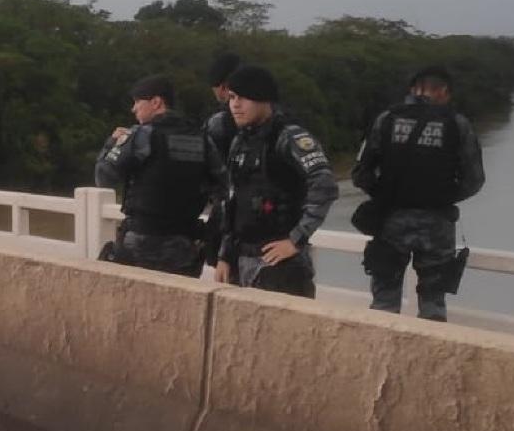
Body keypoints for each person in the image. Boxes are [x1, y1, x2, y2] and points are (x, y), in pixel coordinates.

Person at [352, 66, 485, 321]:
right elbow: (475, 180)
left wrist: (386, 194)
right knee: (433, 302)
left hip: (390, 222)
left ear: (413, 89)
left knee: (384, 302)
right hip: (437, 226)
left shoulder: (386, 119)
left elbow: (360, 173)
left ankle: (381, 358)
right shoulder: (457, 124)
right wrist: (441, 195)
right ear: (444, 91)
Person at [214, 65, 338, 297]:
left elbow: (325, 185)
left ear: (264, 99)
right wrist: (225, 256)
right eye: (231, 97)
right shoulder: (240, 141)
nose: (235, 105)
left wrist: (296, 239)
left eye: (243, 97)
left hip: (280, 267)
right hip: (242, 261)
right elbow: (231, 201)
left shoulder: (289, 137)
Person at [93, 75, 224, 277]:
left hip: (140, 243)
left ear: (156, 102)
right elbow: (224, 188)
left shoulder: (141, 135)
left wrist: (111, 143)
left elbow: (104, 177)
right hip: (184, 247)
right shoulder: (201, 138)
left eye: (137, 101)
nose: (133, 109)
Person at [203, 52, 241, 269]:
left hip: (228, 212)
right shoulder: (278, 121)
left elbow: (205, 170)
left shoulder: (218, 123)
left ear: (223, 87)